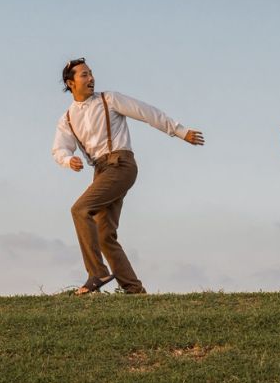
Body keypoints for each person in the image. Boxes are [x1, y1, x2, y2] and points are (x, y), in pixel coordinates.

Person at [52, 58, 205, 295]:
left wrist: (179, 131)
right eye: (84, 75)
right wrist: (67, 160)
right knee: (104, 235)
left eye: (91, 73)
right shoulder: (67, 119)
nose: (91, 78)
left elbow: (145, 112)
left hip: (121, 164)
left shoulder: (109, 99)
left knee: (80, 210)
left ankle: (97, 273)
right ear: (70, 83)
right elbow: (60, 148)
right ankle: (135, 291)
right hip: (100, 171)